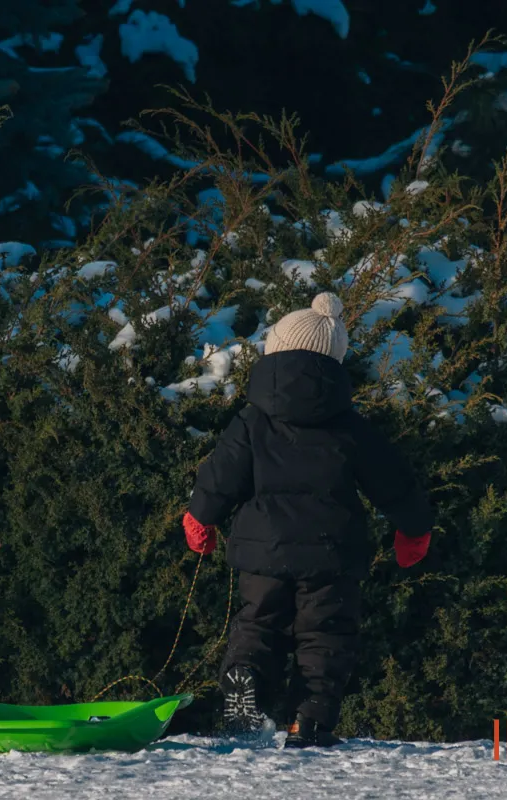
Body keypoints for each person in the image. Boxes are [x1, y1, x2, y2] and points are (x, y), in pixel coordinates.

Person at [181, 292, 435, 749]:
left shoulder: (252, 420)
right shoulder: (350, 426)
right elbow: (393, 481)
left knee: (257, 623)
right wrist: (413, 527)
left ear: (274, 351)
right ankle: (310, 719)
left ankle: (244, 681)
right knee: (325, 635)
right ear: (334, 363)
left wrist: (202, 518)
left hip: (263, 550)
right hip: (330, 553)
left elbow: (221, 474)